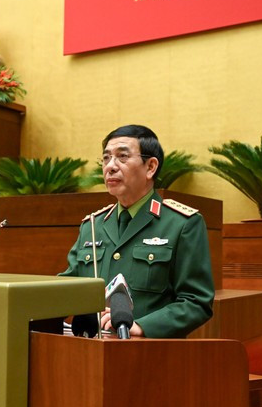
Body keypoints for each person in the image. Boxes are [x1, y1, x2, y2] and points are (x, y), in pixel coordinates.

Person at [60, 125, 215, 338]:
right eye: (106, 158)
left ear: (150, 167)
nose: (110, 167)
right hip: (91, 353)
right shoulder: (92, 226)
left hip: (149, 354)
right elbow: (66, 289)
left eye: (122, 157)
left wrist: (142, 326)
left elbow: (196, 301)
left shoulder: (182, 224)